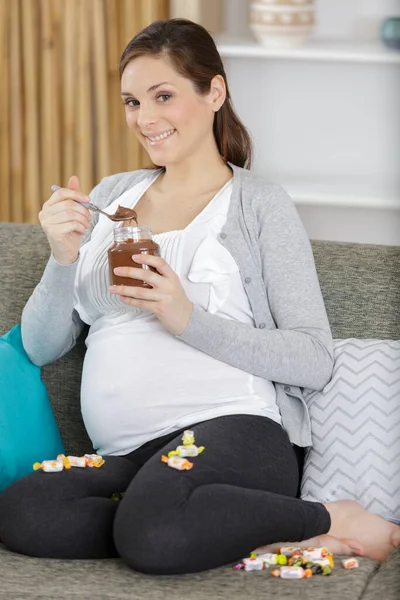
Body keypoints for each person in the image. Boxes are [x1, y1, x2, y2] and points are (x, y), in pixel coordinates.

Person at [0, 19, 399, 575]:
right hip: (132, 456)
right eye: (133, 101)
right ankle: (208, 524)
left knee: (152, 533)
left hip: (232, 431)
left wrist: (183, 316)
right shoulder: (111, 197)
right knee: (24, 510)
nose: (145, 118)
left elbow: (313, 359)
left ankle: (330, 517)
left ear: (214, 92)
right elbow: (42, 347)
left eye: (164, 96)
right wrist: (62, 255)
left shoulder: (259, 204)